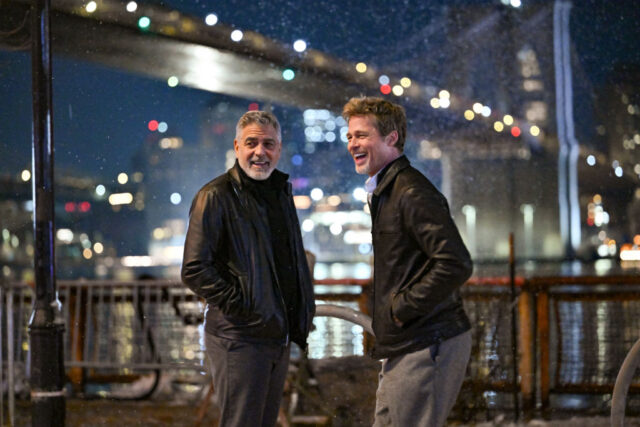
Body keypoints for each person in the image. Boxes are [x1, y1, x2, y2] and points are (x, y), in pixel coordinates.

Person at [343, 97, 473, 426]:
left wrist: (401, 309)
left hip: (426, 341)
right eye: (349, 137)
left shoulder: (410, 191)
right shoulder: (386, 190)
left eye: (362, 135)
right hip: (406, 343)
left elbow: (455, 262)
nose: (353, 144)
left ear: (391, 138)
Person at [181, 110, 315, 427]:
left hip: (275, 335)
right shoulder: (215, 196)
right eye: (251, 143)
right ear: (237, 146)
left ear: (279, 149)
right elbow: (195, 269)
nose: (260, 152)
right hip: (239, 337)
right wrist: (245, 308)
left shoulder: (280, 193)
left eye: (269, 144)